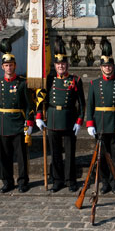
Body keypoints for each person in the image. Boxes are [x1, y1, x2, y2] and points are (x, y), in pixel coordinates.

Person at [36, 40, 85, 193]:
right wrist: (38, 116)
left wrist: (79, 121)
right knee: (55, 153)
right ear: (55, 66)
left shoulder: (75, 80)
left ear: (67, 65)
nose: (61, 66)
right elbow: (41, 98)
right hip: (52, 119)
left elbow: (82, 104)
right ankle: (57, 180)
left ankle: (71, 180)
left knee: (70, 153)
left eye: (63, 64)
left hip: (69, 119)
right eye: (58, 64)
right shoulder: (49, 80)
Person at [86, 40, 115, 194]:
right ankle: (104, 182)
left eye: (110, 66)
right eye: (105, 66)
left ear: (113, 67)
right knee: (102, 157)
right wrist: (90, 123)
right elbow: (90, 105)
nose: (108, 68)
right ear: (101, 67)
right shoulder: (94, 84)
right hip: (100, 123)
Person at [0, 38, 34, 193]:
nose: (9, 67)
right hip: (2, 123)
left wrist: (29, 123)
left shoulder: (22, 83)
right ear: (3, 67)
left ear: (15, 66)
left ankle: (23, 181)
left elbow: (29, 105)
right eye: (6, 65)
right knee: (5, 156)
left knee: (21, 156)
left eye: (11, 65)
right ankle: (7, 181)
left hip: (18, 123)